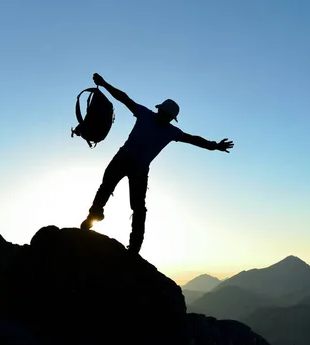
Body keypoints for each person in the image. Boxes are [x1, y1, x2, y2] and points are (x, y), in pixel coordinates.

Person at [80, 73, 234, 253]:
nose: (164, 117)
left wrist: (215, 146)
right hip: (130, 163)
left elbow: (194, 139)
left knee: (129, 201)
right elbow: (123, 98)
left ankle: (131, 242)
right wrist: (104, 84)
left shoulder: (160, 124)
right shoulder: (154, 120)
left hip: (132, 165)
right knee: (115, 192)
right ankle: (98, 218)